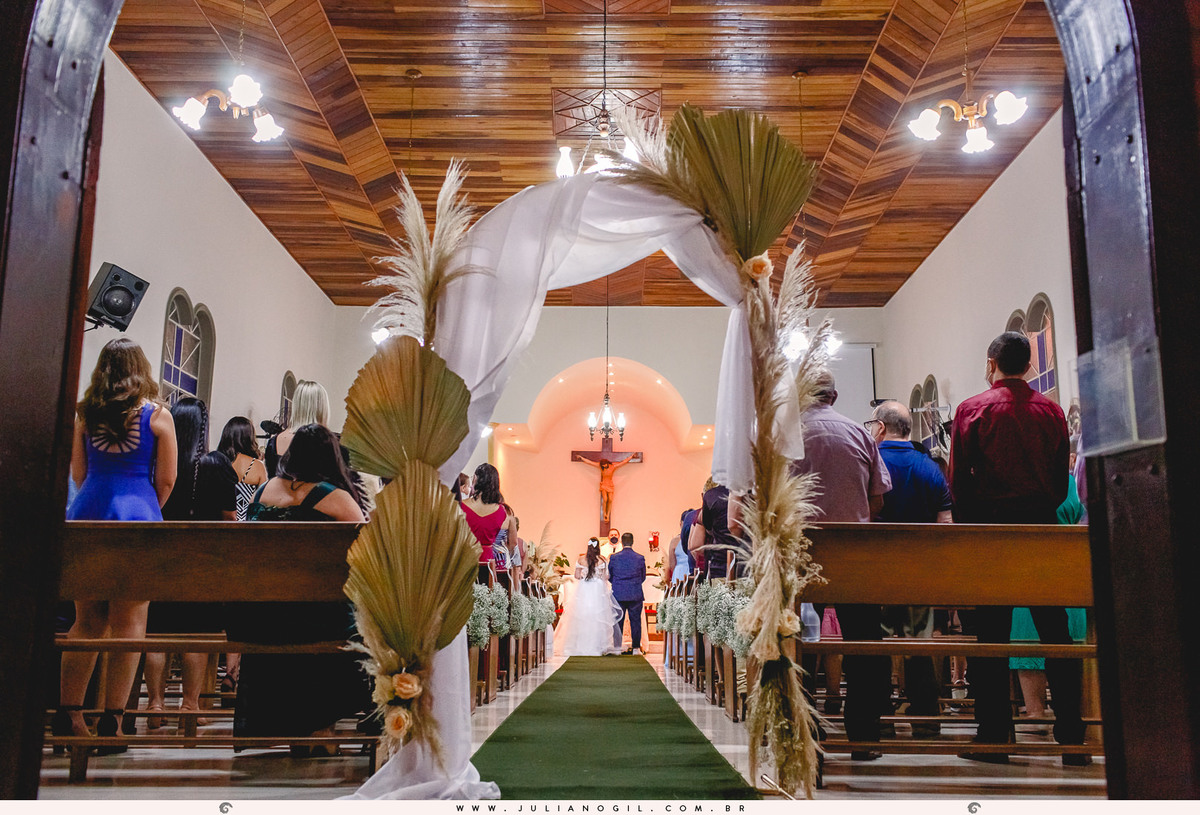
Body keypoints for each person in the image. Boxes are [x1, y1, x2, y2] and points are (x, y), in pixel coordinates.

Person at [949, 331, 1087, 766]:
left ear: (991, 363)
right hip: (1040, 529)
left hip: (991, 532)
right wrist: (1043, 509)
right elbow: (1060, 475)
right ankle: (1073, 739)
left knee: (991, 635)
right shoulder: (1051, 410)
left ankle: (995, 737)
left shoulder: (972, 409)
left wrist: (971, 527)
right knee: (1056, 633)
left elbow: (959, 481)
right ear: (1028, 366)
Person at [57, 338, 177, 746]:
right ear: (140, 368)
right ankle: (114, 719)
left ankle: (70, 715)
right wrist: (146, 504)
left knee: (86, 620)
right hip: (136, 515)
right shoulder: (158, 416)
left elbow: (78, 474)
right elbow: (167, 480)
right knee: (130, 623)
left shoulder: (85, 415)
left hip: (89, 512)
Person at [225, 424, 368, 752]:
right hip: (315, 618)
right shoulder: (334, 497)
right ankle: (320, 725)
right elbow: (366, 548)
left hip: (261, 616)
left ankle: (296, 723)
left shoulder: (262, 493)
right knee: (358, 620)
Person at [791, 370, 892, 761]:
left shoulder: (786, 435)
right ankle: (864, 735)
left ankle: (803, 730)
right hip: (853, 552)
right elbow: (878, 499)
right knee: (863, 640)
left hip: (800, 553)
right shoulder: (858, 433)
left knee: (797, 640)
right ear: (834, 396)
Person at [145, 397, 237, 730]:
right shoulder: (217, 464)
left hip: (163, 557)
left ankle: (155, 705)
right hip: (203, 560)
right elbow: (229, 517)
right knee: (197, 634)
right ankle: (190, 704)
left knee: (156, 633)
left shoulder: (157, 462)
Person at [867, 400, 952, 737]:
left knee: (877, 641)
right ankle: (926, 718)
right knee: (919, 642)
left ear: (881, 427)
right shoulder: (928, 466)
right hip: (919, 566)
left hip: (877, 566)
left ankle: (880, 716)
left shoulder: (872, 461)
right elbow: (945, 522)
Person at [555, 541, 619, 656]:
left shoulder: (581, 559)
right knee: (598, 616)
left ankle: (580, 645)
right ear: (598, 547)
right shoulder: (603, 560)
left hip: (584, 587)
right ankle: (598, 645)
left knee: (582, 615)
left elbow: (577, 576)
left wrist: (585, 576)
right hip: (598, 589)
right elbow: (606, 577)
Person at [266, 379, 330, 477]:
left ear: (296, 405)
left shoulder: (275, 441)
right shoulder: (327, 443)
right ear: (323, 408)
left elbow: (270, 478)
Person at [462, 463, 518, 575]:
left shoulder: (461, 506)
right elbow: (513, 544)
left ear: (475, 479)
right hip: (488, 560)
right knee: (487, 583)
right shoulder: (502, 511)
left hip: (465, 557)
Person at [218, 415, 268, 522]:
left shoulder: (217, 461)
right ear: (249, 438)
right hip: (247, 526)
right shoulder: (257, 466)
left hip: (218, 523)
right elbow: (263, 501)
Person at [610, 532, 648, 655]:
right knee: (635, 621)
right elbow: (643, 576)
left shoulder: (614, 558)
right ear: (632, 542)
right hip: (635, 592)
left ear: (621, 542)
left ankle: (617, 648)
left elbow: (610, 575)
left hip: (618, 593)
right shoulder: (639, 558)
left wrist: (618, 584)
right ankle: (636, 648)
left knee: (618, 621)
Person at [575, 455, 636, 523]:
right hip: (604, 484)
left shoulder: (613, 466)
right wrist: (581, 458)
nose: (604, 466)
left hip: (610, 484)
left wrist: (631, 456)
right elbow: (590, 462)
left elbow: (623, 462)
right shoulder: (600, 466)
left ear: (607, 463)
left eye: (605, 465)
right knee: (605, 499)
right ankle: (604, 514)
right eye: (603, 465)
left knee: (610, 499)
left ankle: (608, 514)